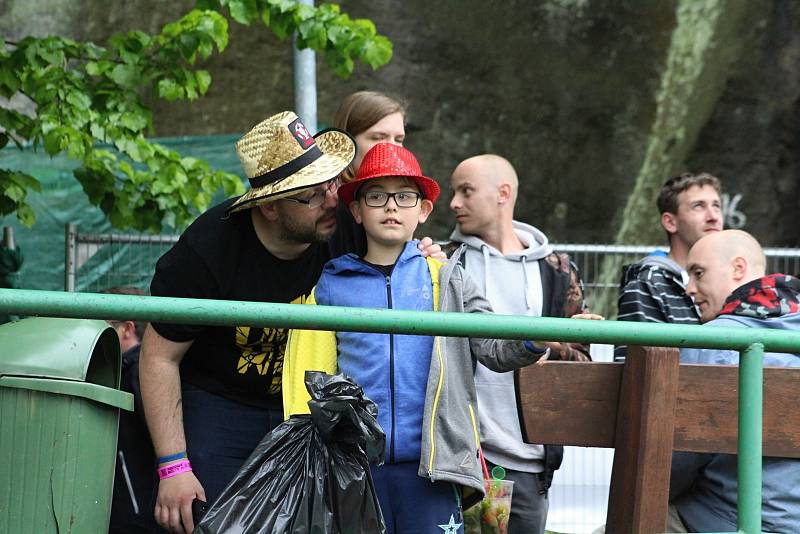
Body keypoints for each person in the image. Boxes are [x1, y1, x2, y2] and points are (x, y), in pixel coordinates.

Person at [140, 111, 441, 533]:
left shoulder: (344, 228)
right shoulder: (210, 248)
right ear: (268, 207)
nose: (331, 199)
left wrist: (423, 258)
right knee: (212, 520)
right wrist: (173, 467)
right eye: (312, 194)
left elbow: (398, 259)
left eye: (332, 183)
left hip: (309, 405)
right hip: (221, 400)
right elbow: (158, 357)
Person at [282, 143, 554, 534]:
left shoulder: (445, 277)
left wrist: (537, 336)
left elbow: (492, 346)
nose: (391, 206)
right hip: (355, 467)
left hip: (432, 467)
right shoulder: (331, 283)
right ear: (356, 211)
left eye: (405, 196)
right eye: (376, 196)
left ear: (423, 210)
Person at [447, 154, 593, 534]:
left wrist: (557, 345)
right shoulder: (445, 263)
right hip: (463, 458)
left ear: (503, 193)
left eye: (466, 191)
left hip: (531, 463)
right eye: (453, 192)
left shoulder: (558, 269)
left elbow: (583, 360)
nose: (454, 204)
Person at [668, 229, 800, 533]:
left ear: (738, 268)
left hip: (724, 519)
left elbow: (676, 463)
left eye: (698, 273)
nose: (689, 288)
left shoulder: (711, 341)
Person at [615, 172, 723, 360]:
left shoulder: (730, 278)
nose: (713, 216)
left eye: (716, 206)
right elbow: (637, 366)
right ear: (670, 222)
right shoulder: (648, 282)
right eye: (699, 206)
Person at [329, 90, 407, 258]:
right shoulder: (325, 206)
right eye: (378, 137)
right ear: (346, 143)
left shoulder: (406, 199)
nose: (391, 148)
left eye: (399, 140)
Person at [104, 286, 157, 534]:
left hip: (137, 509)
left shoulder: (137, 371)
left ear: (127, 329)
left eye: (104, 328)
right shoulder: (128, 369)